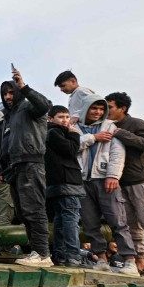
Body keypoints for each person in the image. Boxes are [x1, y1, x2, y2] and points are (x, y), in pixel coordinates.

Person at [105, 92, 144, 277]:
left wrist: (122, 134)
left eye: (111, 107)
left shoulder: (136, 124)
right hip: (120, 182)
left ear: (122, 108)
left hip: (142, 180)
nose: (107, 110)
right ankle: (140, 258)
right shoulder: (107, 126)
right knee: (130, 224)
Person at [74, 93, 135, 273]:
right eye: (94, 108)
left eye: (101, 109)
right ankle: (100, 258)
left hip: (105, 179)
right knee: (90, 222)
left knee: (118, 220)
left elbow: (117, 154)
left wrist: (113, 176)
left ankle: (130, 259)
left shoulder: (110, 126)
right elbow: (71, 146)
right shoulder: (74, 127)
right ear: (86, 108)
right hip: (83, 180)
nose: (98, 112)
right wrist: (93, 138)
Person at [0, 68, 52, 267]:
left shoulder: (29, 108)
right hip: (16, 167)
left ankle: (43, 253)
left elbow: (44, 105)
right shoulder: (9, 116)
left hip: (32, 163)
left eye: (11, 92)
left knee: (34, 210)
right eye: (5, 93)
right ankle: (35, 252)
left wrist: (24, 87)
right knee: (23, 212)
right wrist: (4, 168)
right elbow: (6, 145)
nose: (8, 96)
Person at [45, 107, 84, 267]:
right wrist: (75, 135)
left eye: (67, 117)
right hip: (67, 181)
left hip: (57, 182)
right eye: (61, 116)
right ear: (50, 118)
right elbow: (71, 150)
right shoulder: (54, 133)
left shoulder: (50, 133)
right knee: (70, 218)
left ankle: (60, 255)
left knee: (60, 219)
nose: (65, 120)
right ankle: (73, 255)